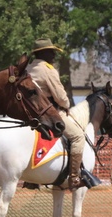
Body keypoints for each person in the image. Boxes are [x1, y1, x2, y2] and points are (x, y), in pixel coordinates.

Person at [25, 38, 88, 190]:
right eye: (51, 51)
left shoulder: (27, 68)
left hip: (28, 114)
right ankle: (74, 178)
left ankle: (31, 179)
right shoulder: (48, 70)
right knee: (78, 136)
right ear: (43, 53)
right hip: (48, 113)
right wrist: (66, 105)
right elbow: (60, 97)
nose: (54, 55)